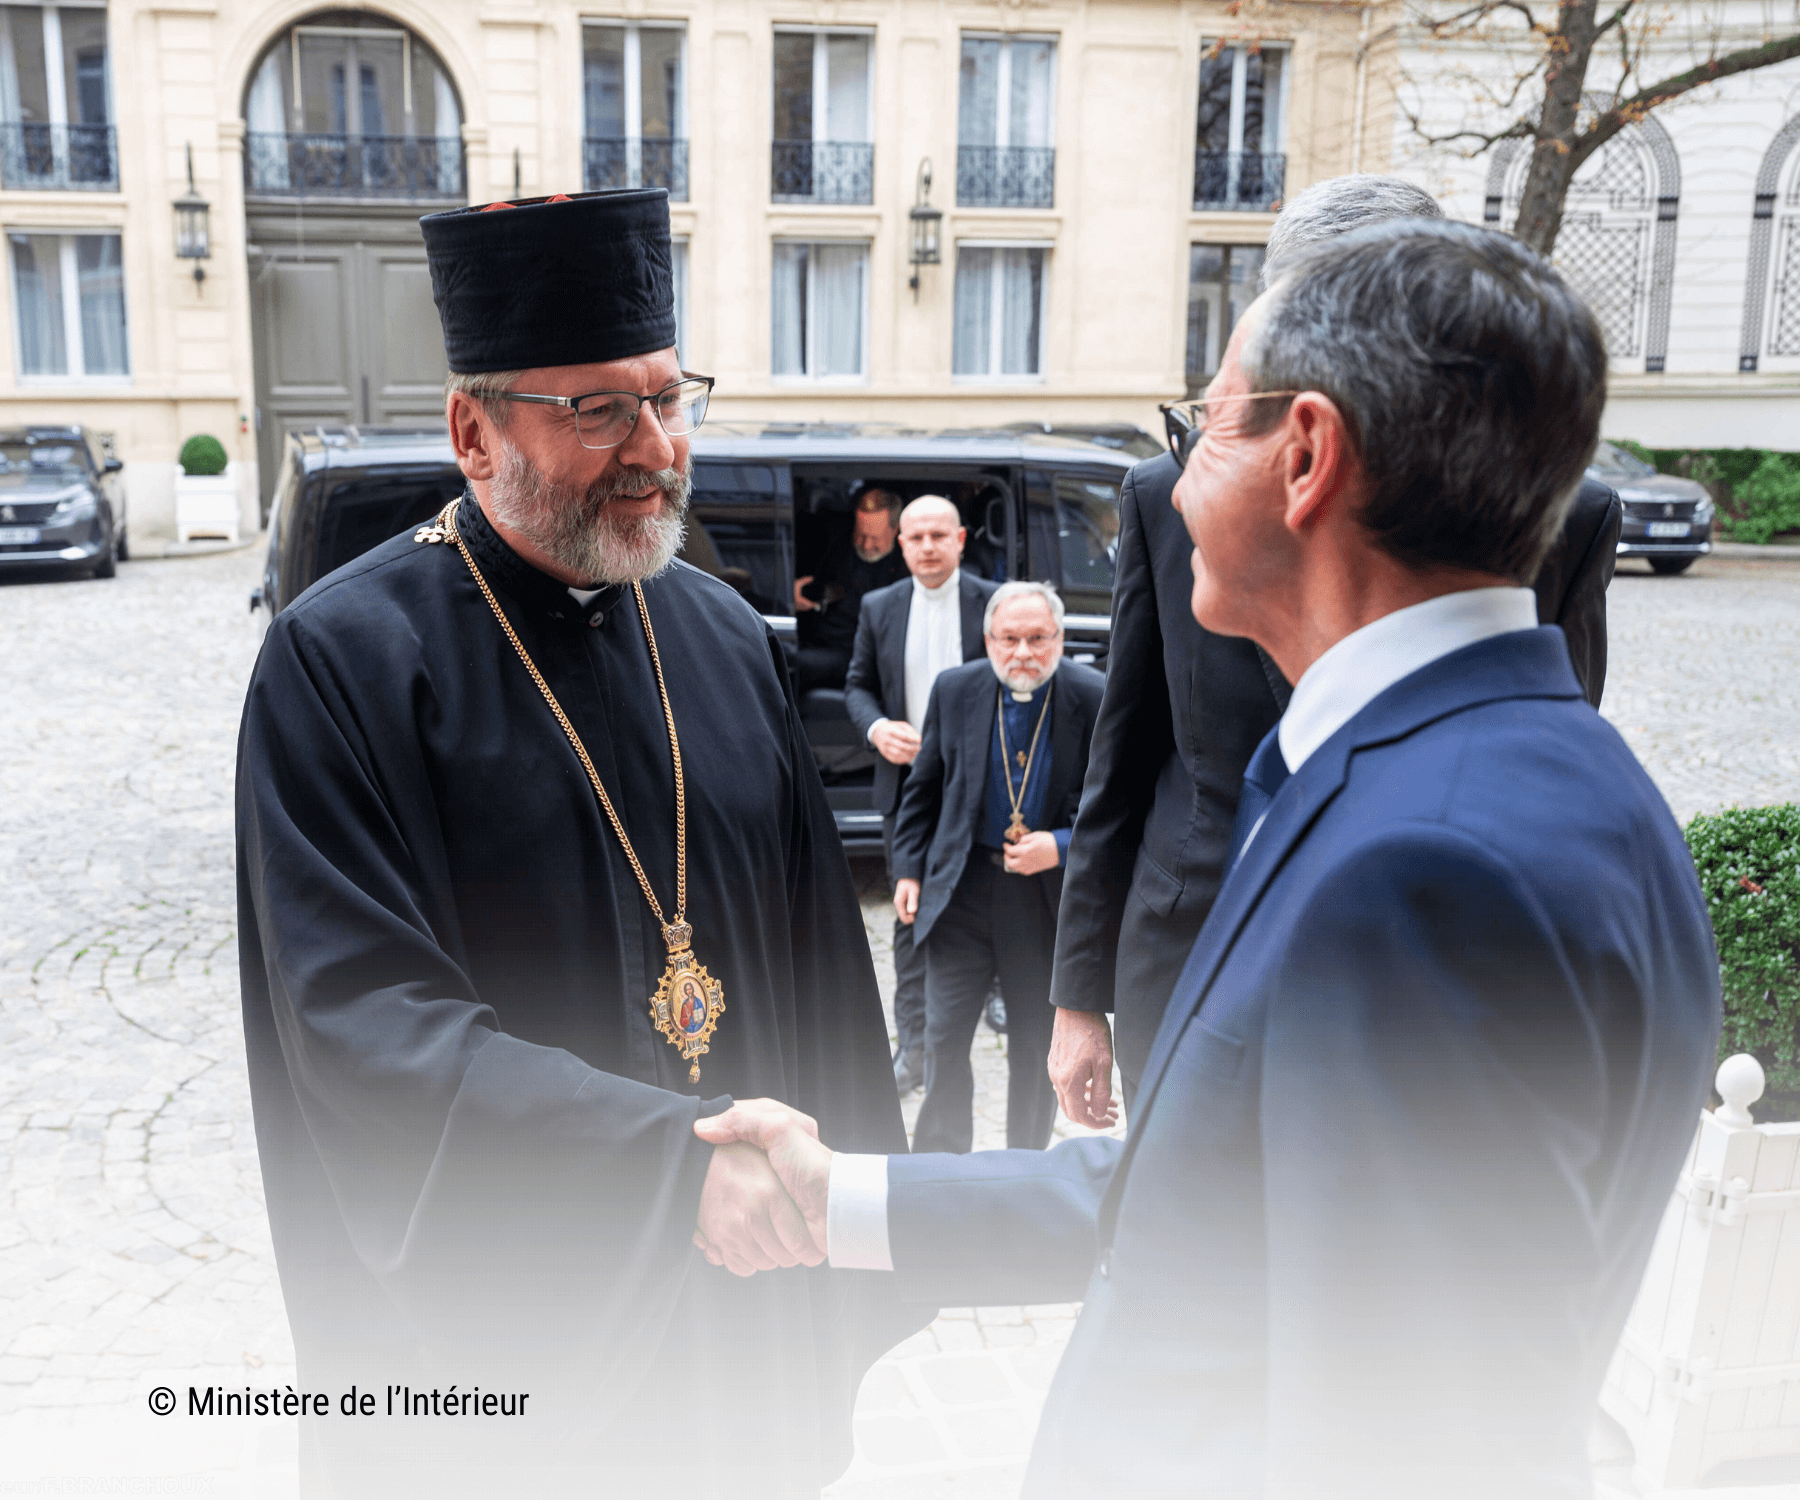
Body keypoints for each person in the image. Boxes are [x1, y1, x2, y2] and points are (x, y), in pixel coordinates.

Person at [698, 221, 1722, 1500]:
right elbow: (1204, 1186)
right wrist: (836, 1198)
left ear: (1305, 458)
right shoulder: (1507, 770)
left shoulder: (1426, 878)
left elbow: (1402, 1450)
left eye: (1205, 427)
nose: (1176, 484)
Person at [235, 188, 918, 1500]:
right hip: (524, 1348)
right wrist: (661, 1173)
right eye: (595, 409)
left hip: (747, 1317)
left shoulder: (723, 637)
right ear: (471, 431)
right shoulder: (345, 663)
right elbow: (361, 1025)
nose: (652, 445)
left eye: (669, 398)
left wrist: (864, 1220)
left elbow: (821, 971)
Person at [1048, 172, 1627, 1127]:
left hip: (1413, 982)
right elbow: (1125, 750)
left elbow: (1546, 764)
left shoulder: (1566, 520)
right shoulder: (1165, 496)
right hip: (1185, 943)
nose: (1200, 472)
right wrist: (1078, 996)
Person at [889, 582, 1104, 1153]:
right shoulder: (955, 689)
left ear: (1060, 639)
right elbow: (923, 790)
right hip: (961, 891)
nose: (1023, 654)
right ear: (988, 640)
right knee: (944, 1037)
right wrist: (907, 869)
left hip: (1039, 903)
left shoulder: (1092, 694)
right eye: (1009, 639)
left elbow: (1114, 805)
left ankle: (1025, 1166)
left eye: (1038, 639)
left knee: (1036, 1044)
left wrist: (1059, 843)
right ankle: (938, 1162)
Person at [844, 495, 998, 1092]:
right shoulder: (879, 606)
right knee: (908, 917)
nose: (928, 547)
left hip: (981, 780)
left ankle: (997, 992)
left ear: (961, 539)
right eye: (917, 537)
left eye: (940, 535)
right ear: (900, 544)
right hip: (907, 785)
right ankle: (911, 1048)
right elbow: (857, 686)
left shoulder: (993, 602)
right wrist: (878, 729)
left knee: (987, 894)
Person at [792, 487, 909, 692]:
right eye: (860, 534)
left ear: (896, 529)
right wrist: (794, 600)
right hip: (819, 638)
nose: (865, 544)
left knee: (794, 664)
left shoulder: (908, 564)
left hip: (864, 655)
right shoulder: (835, 542)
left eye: (874, 538)